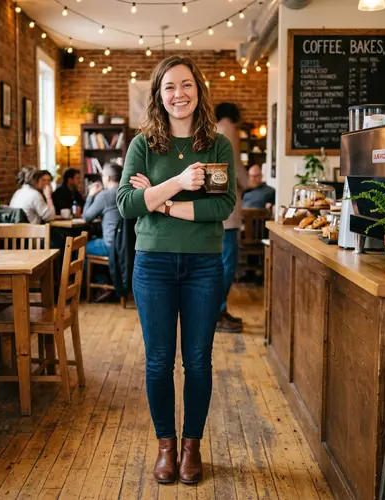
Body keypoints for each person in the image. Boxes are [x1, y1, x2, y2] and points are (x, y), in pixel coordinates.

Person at [117, 55, 235, 485]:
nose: (178, 94)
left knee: (199, 361)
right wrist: (182, 184)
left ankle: (192, 448)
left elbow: (221, 206)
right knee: (159, 362)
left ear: (198, 90)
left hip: (205, 266)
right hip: (153, 266)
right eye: (169, 86)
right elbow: (128, 206)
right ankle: (166, 447)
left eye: (186, 85)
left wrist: (161, 201)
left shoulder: (217, 145)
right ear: (158, 95)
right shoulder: (143, 145)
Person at [214, 103, 249, 334]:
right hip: (228, 211)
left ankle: (218, 312)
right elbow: (236, 168)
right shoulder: (229, 129)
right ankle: (217, 313)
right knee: (227, 263)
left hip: (216, 210)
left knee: (220, 263)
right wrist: (250, 183)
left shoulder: (213, 129)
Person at [83, 163, 122, 257]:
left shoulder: (105, 195)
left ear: (108, 178)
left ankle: (88, 272)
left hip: (110, 245)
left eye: (103, 176)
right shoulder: (126, 193)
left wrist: (90, 195)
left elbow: (87, 217)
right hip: (125, 244)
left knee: (80, 247)